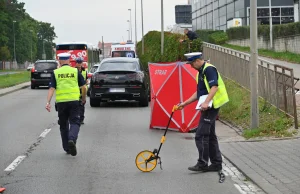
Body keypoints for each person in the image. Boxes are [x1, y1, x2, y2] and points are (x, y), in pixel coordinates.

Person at [177, 52, 229, 172]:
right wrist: (184, 103)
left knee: (201, 135)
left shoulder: (209, 70)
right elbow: (199, 93)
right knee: (210, 135)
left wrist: (206, 102)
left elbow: (214, 87)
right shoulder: (200, 73)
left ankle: (202, 163)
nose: (190, 66)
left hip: (211, 106)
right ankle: (216, 163)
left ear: (197, 61)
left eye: (191, 64)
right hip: (208, 106)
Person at [45, 53, 87, 156]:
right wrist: (83, 99)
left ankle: (67, 148)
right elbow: (84, 87)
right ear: (69, 61)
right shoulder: (75, 71)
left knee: (63, 125)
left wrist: (48, 102)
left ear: (59, 61)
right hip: (74, 101)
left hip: (61, 103)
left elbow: (51, 88)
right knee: (75, 122)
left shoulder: (56, 72)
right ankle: (71, 139)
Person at [75, 57, 88, 124]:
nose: (79, 64)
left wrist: (86, 83)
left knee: (82, 105)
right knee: (75, 105)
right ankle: (75, 118)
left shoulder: (84, 71)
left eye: (80, 62)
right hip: (75, 90)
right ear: (76, 63)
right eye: (78, 62)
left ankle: (81, 119)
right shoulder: (73, 71)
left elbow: (86, 80)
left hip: (82, 90)